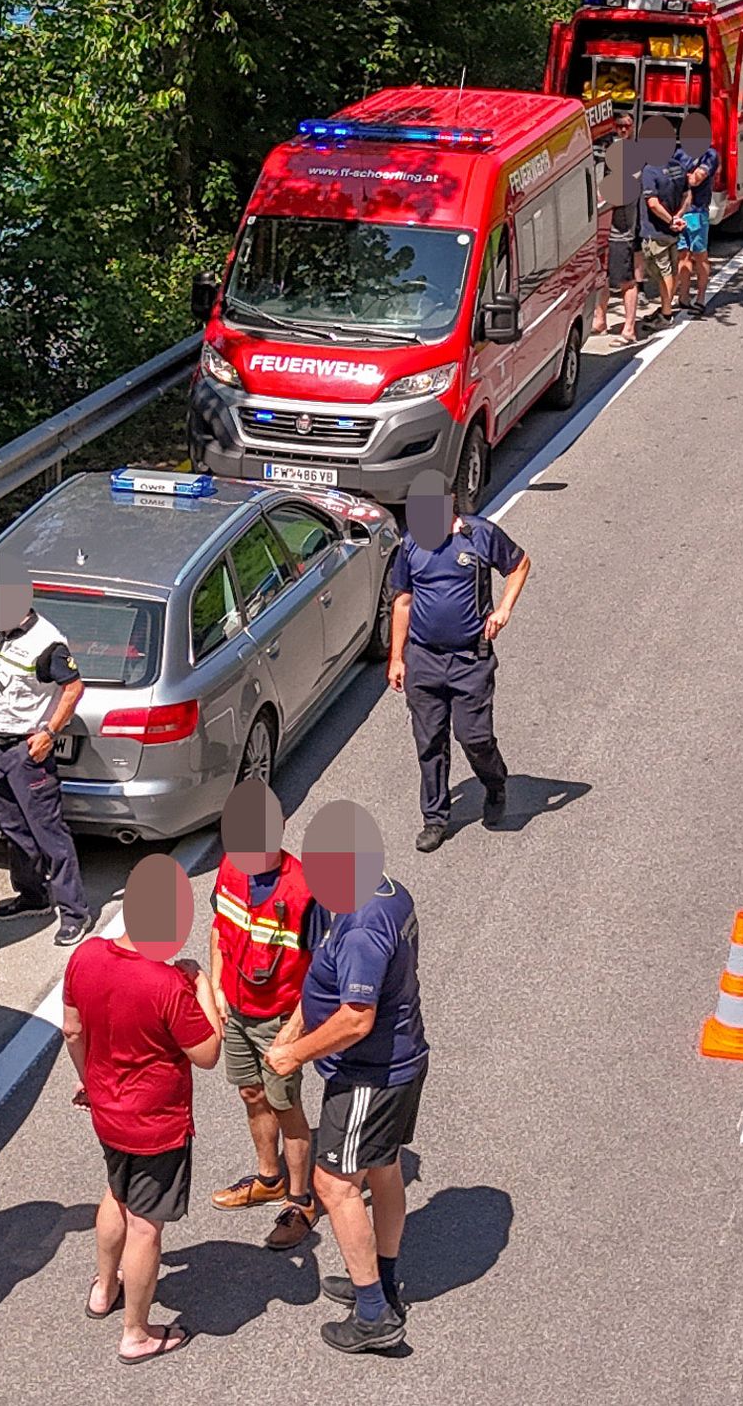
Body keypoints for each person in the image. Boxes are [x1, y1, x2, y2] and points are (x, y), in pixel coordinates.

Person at [265, 800, 427, 1357]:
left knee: (334, 1185)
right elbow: (328, 983)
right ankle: (381, 1280)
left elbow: (355, 1017)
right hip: (398, 1061)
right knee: (384, 1167)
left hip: (368, 1077)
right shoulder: (387, 892)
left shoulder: (361, 925)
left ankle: (374, 1314)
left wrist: (294, 1055)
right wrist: (295, 1026)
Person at [62, 858, 220, 1365]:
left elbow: (71, 1029)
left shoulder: (86, 956)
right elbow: (208, 1053)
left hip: (107, 1112)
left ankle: (104, 1288)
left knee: (116, 1192)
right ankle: (136, 1332)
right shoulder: (168, 985)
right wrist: (202, 985)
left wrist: (90, 1082)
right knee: (146, 1224)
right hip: (157, 1125)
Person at [203, 777, 322, 1251]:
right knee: (251, 1093)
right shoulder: (230, 868)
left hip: (280, 1019)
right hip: (237, 1009)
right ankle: (269, 1179)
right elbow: (219, 928)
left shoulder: (305, 890)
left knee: (286, 1106)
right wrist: (216, 985)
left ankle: (300, 1201)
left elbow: (323, 972)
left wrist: (293, 1032)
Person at [387, 480, 528, 852]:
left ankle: (495, 784)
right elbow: (403, 602)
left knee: (474, 738)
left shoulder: (480, 535)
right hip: (424, 659)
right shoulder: (411, 545)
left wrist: (503, 610)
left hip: (470, 660)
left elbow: (519, 564)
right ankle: (435, 818)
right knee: (429, 742)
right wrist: (397, 657)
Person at [0, 565, 90, 942]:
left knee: (49, 833)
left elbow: (74, 688)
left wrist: (49, 733)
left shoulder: (46, 643)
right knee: (12, 827)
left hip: (26, 751)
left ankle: (75, 913)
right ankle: (33, 895)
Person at [636, 161, 690, 324]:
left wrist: (671, 220)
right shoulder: (678, 166)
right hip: (672, 232)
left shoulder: (650, 170)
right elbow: (687, 196)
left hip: (656, 231)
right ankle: (666, 308)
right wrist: (678, 216)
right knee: (671, 270)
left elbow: (653, 203)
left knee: (662, 272)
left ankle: (666, 313)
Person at [672, 152, 716, 311]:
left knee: (700, 256)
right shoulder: (677, 152)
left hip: (697, 212)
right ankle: (683, 296)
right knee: (682, 255)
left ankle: (701, 297)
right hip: (678, 211)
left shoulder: (709, 154)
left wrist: (677, 176)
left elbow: (695, 179)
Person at [599, 185, 643, 343]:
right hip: (603, 237)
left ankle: (629, 329)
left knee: (627, 283)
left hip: (620, 239)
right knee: (601, 280)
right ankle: (600, 321)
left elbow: (604, 202)